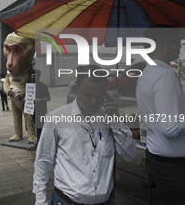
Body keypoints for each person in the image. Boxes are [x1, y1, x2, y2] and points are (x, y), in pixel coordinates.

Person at [33, 65, 136, 205]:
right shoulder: (56, 118)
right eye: (87, 95)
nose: (93, 102)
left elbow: (129, 155)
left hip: (105, 201)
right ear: (75, 89)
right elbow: (43, 161)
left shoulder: (111, 118)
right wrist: (40, 200)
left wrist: (116, 123)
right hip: (66, 201)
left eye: (99, 96)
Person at [136, 25, 185, 205]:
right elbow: (170, 128)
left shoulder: (147, 73)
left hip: (159, 157)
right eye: (176, 42)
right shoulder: (164, 75)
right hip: (172, 164)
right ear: (161, 45)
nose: (179, 46)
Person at [31, 69, 50, 143]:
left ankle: (41, 142)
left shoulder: (43, 86)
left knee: (40, 127)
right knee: (36, 126)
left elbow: (48, 98)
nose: (33, 77)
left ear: (39, 76)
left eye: (34, 76)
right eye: (32, 76)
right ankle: (39, 140)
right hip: (33, 110)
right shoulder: (30, 86)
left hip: (41, 110)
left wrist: (40, 100)